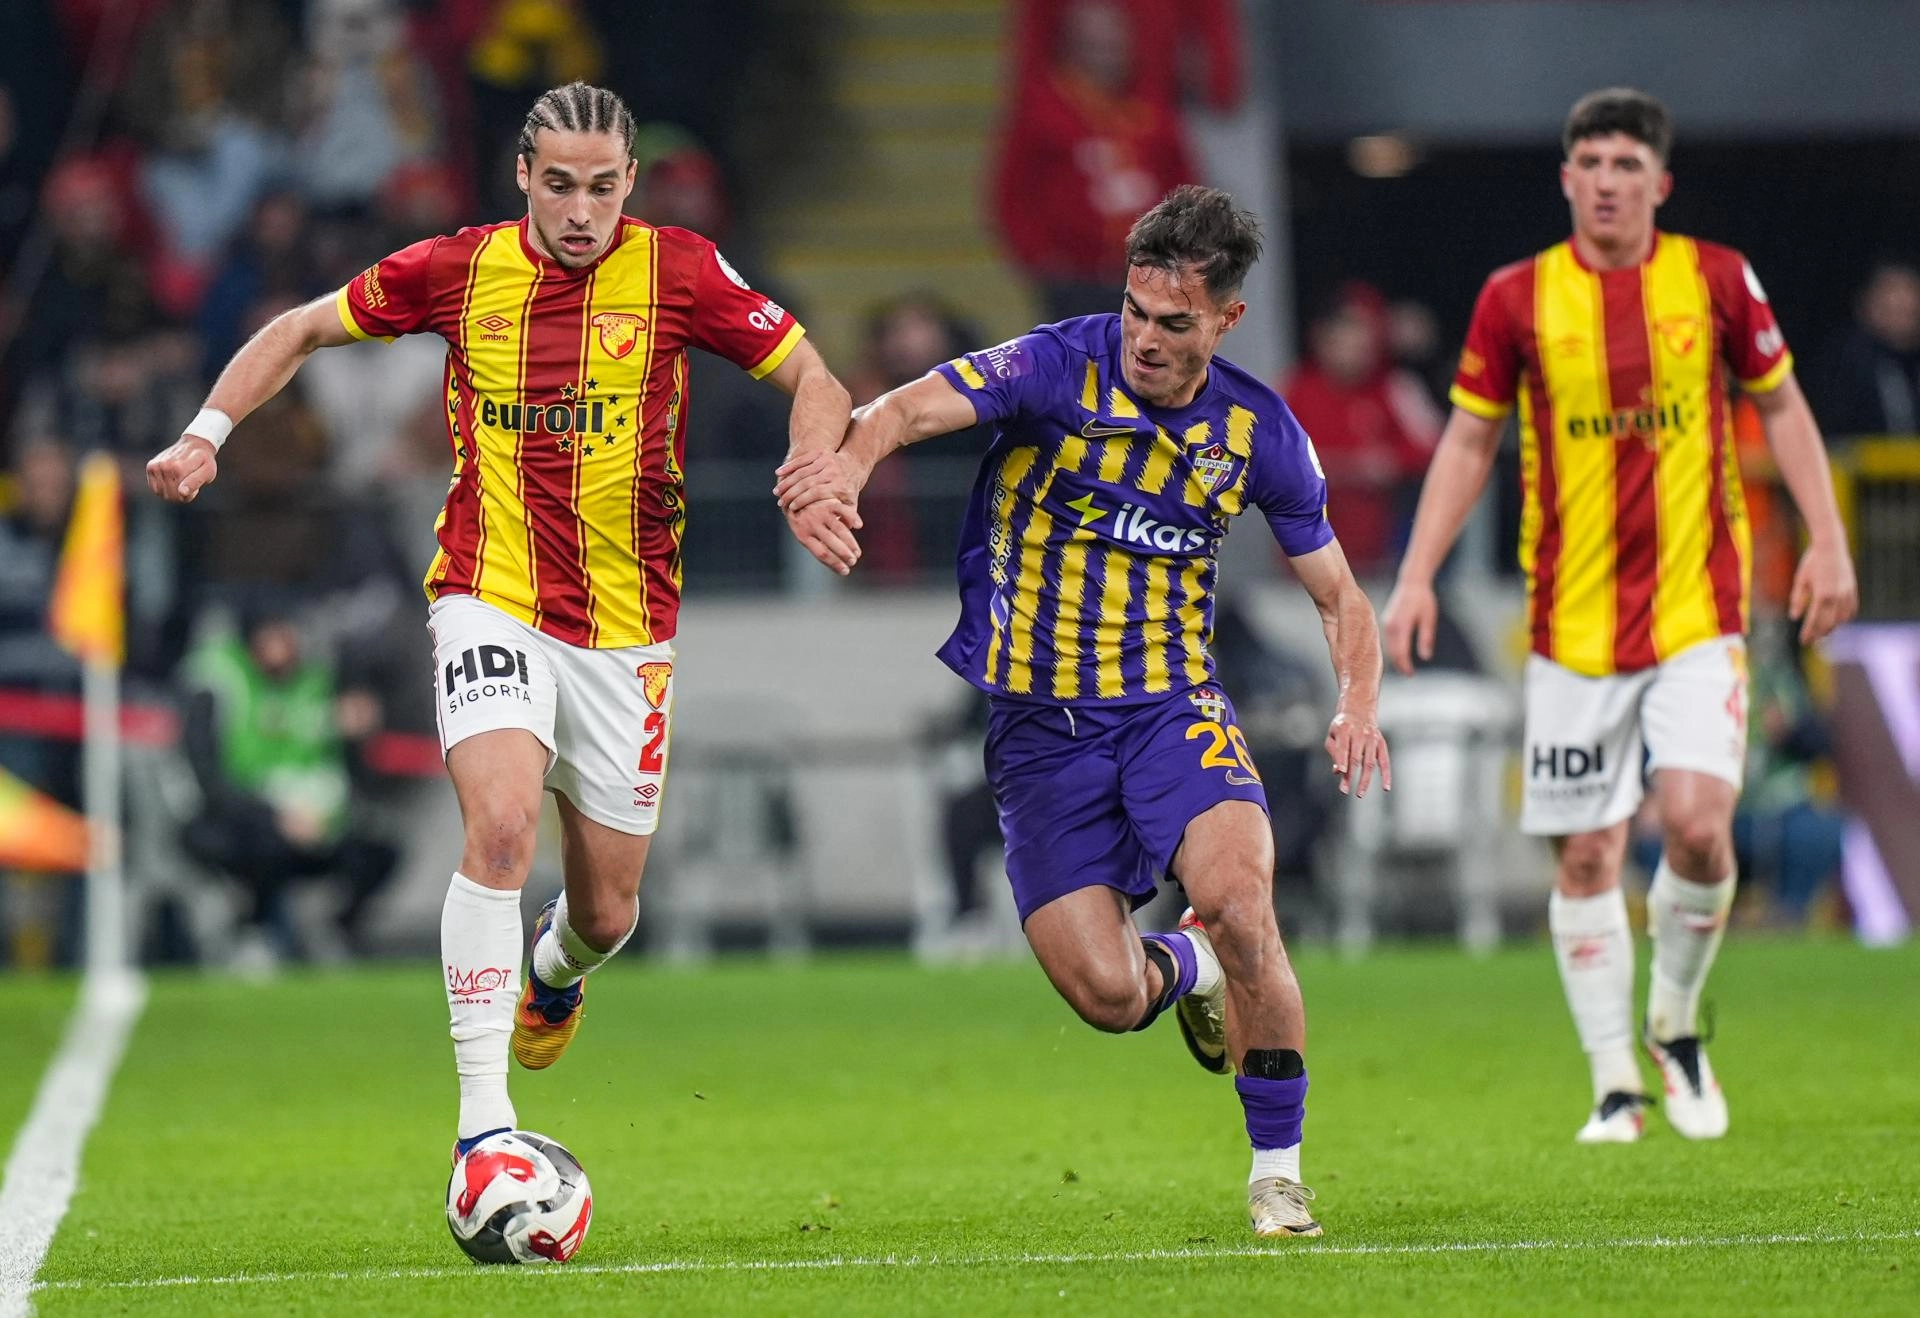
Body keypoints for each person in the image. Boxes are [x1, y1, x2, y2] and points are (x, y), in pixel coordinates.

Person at [146, 81, 857, 1161]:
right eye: (560, 185)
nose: (582, 211)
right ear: (523, 175)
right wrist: (207, 432)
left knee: (607, 915)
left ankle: (554, 971)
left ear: (631, 182)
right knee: (503, 828)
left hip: (626, 629)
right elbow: (298, 328)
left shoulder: (679, 271)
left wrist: (813, 466)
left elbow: (814, 375)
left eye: (603, 188)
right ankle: (484, 1127)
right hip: (490, 594)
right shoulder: (456, 269)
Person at [778, 185, 1390, 1238]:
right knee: (1110, 996)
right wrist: (846, 474)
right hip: (1039, 731)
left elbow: (1339, 596)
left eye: (1175, 323)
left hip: (1172, 709)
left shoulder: (1259, 431)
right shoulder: (1054, 366)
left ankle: (1278, 1176)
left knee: (1244, 903)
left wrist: (1358, 702)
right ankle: (1191, 962)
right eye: (1135, 311)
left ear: (1227, 319)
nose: (1145, 339)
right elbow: (900, 410)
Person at [1381, 89, 1858, 1145]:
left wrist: (1828, 539)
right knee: (1589, 857)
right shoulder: (1516, 298)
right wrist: (1415, 576)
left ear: (1660, 182)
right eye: (1590, 163)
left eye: (1626, 165)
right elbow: (1468, 440)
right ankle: (1614, 1082)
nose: (1606, 181)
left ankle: (1674, 1022)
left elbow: (1782, 404)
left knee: (1698, 826)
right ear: (1566, 178)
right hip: (1572, 626)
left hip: (1697, 609)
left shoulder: (1717, 279)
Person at [178, 601, 398, 964]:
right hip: (247, 821)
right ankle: (256, 931)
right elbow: (212, 781)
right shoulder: (225, 682)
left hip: (318, 820)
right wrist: (273, 816)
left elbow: (341, 762)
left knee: (380, 851)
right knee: (265, 850)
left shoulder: (317, 680)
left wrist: (357, 733)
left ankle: (333, 928)